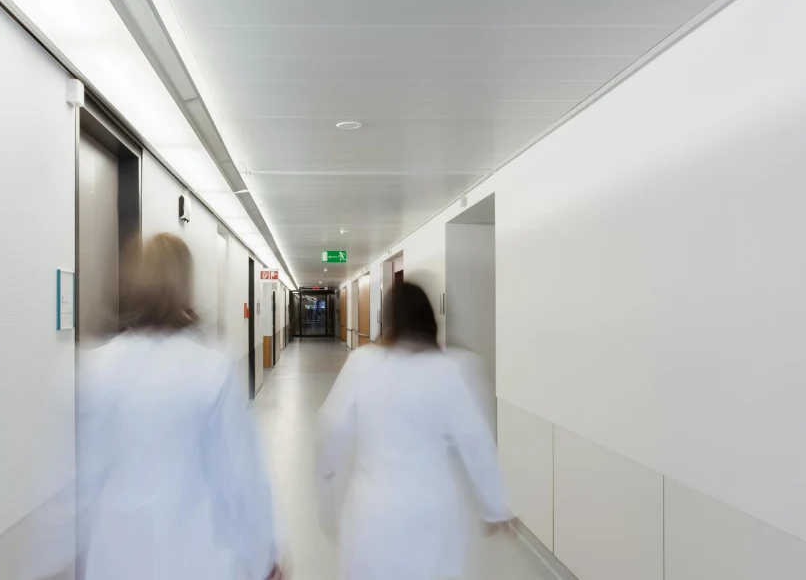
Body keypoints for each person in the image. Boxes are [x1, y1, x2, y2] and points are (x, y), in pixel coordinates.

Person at [78, 233, 283, 580]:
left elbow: (73, 482)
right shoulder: (210, 368)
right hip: (197, 554)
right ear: (183, 285)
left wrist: (52, 560)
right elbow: (242, 475)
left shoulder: (92, 370)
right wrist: (264, 552)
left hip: (115, 556)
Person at [316, 280, 514, 580]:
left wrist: (326, 473)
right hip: (433, 510)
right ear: (431, 320)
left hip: (374, 509)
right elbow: (477, 442)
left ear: (388, 319)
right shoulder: (451, 369)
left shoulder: (362, 363)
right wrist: (495, 507)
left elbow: (331, 425)